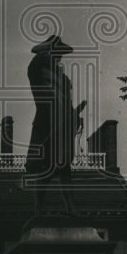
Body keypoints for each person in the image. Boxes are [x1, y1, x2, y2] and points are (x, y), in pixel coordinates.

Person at [25, 35, 86, 216]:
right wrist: (44, 50)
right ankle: (38, 209)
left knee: (64, 169)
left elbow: (66, 105)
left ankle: (70, 207)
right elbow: (35, 60)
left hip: (62, 129)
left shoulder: (64, 80)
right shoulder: (38, 72)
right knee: (45, 169)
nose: (58, 58)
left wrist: (75, 116)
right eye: (55, 54)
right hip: (46, 125)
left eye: (59, 55)